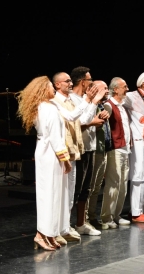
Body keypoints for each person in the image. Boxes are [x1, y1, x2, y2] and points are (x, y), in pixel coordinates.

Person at [16, 76, 73, 251]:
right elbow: (55, 136)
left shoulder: (43, 107)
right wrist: (65, 159)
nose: (54, 90)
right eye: (50, 87)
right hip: (51, 154)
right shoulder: (47, 108)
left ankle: (49, 233)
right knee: (49, 194)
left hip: (47, 152)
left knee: (53, 194)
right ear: (42, 89)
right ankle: (41, 234)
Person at [51, 72, 102, 242]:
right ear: (57, 84)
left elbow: (84, 119)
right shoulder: (54, 102)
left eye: (71, 81)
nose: (71, 83)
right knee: (61, 191)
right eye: (67, 81)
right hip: (61, 151)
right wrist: (88, 100)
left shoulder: (71, 100)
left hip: (74, 149)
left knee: (71, 191)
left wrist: (93, 103)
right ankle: (56, 228)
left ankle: (65, 227)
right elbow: (72, 117)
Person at [70, 66, 107, 235]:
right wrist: (93, 121)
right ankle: (67, 224)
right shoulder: (72, 99)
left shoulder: (87, 99)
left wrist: (99, 119)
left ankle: (81, 223)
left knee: (86, 188)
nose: (92, 84)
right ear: (83, 82)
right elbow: (78, 121)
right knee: (76, 188)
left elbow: (89, 120)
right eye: (90, 80)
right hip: (79, 148)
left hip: (90, 145)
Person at [123, 72, 144, 223]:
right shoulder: (131, 96)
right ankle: (136, 213)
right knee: (138, 176)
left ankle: (138, 209)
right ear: (143, 84)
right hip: (138, 141)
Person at [100, 77, 131, 229]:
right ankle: (107, 217)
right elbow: (104, 125)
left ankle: (116, 215)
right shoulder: (109, 105)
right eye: (124, 86)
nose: (127, 88)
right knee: (113, 183)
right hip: (116, 148)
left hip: (125, 148)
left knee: (123, 184)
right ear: (116, 89)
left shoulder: (122, 106)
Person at [86, 80, 111, 230]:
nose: (107, 91)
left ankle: (92, 216)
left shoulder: (103, 106)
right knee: (90, 186)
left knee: (96, 186)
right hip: (94, 150)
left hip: (103, 149)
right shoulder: (91, 106)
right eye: (105, 88)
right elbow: (85, 126)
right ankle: (86, 218)